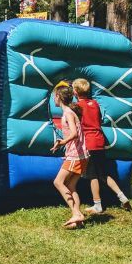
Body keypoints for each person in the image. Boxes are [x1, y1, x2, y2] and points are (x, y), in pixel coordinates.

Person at [73, 77, 131, 214]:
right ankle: (122, 196)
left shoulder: (77, 107)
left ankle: (97, 204)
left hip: (90, 142)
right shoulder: (95, 104)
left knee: (93, 175)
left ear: (75, 92)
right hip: (99, 141)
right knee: (103, 174)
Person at [50, 82, 88, 229]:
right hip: (81, 155)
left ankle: (76, 213)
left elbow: (74, 133)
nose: (54, 99)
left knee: (58, 182)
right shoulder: (69, 112)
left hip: (76, 156)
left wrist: (62, 142)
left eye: (55, 96)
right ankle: (78, 219)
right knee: (71, 186)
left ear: (58, 97)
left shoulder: (68, 113)